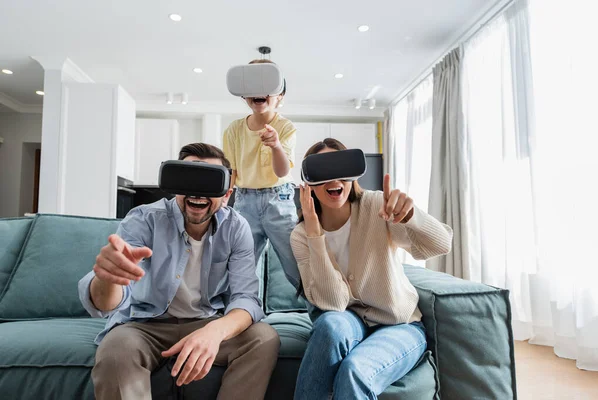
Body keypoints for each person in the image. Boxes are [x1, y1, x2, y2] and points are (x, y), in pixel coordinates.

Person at [78, 143, 280, 400]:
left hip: (206, 320)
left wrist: (214, 332)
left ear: (227, 193)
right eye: (189, 179)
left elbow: (246, 298)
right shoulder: (143, 219)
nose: (197, 192)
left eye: (209, 183)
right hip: (144, 325)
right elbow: (109, 302)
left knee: (263, 338)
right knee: (116, 352)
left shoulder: (236, 228)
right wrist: (108, 279)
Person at [291, 138, 453, 399]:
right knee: (329, 325)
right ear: (309, 182)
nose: (334, 180)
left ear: (353, 175)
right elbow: (333, 302)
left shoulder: (377, 206)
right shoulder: (301, 235)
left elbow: (440, 245)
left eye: (341, 170)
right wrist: (314, 233)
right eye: (323, 173)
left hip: (399, 326)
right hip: (348, 320)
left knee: (355, 369)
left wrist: (413, 217)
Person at [222, 59, 300, 288]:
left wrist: (276, 145)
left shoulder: (286, 128)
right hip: (245, 201)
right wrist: (224, 202)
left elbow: (282, 170)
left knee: (294, 263)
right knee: (242, 267)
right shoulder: (234, 130)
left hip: (280, 200)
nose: (259, 92)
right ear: (244, 95)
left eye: (267, 84)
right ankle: (245, 317)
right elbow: (231, 171)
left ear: (280, 95)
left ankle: (319, 312)